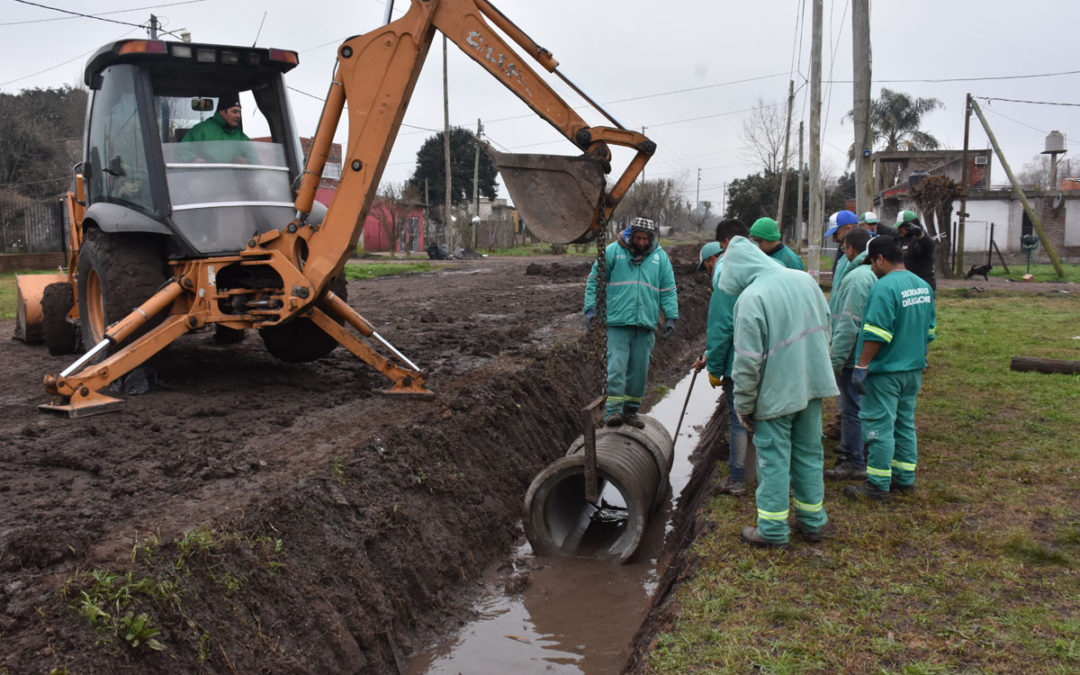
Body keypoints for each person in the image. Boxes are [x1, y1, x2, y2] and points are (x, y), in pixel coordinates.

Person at [720, 236, 839, 546]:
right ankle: (813, 521)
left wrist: (744, 406)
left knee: (772, 460)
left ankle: (772, 531)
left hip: (775, 396)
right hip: (812, 386)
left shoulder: (752, 297)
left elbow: (747, 362)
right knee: (809, 453)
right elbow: (826, 327)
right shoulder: (804, 280)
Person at [843, 235, 936, 502]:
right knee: (905, 424)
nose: (872, 268)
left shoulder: (883, 288)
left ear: (881, 259)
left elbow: (876, 333)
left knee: (878, 427)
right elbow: (929, 331)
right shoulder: (922, 286)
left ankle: (877, 484)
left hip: (885, 372)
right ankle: (904, 479)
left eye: (872, 262)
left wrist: (862, 365)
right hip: (912, 369)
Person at [584, 217, 678, 428]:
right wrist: (590, 309)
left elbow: (668, 289)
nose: (642, 242)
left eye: (645, 239)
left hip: (645, 323)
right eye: (638, 238)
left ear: (651, 238)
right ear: (631, 235)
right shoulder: (613, 252)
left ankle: (630, 411)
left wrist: (671, 316)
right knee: (616, 367)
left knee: (639, 371)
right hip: (617, 321)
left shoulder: (660, 258)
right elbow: (594, 282)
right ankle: (612, 412)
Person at [692, 219, 750, 496]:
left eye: (706, 267)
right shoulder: (753, 266)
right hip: (762, 354)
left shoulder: (724, 273)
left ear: (714, 258)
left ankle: (737, 478)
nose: (708, 273)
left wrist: (714, 367)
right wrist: (708, 354)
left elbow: (723, 327)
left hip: (738, 360)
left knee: (738, 419)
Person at [824, 228, 876, 481]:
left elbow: (848, 323)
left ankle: (854, 460)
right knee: (862, 406)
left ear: (851, 249)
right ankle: (859, 448)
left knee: (851, 408)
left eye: (844, 248)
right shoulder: (870, 273)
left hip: (852, 357)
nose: (843, 252)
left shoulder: (856, 279)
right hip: (866, 354)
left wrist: (835, 360)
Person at [182, 93, 254, 163]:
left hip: (232, 172)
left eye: (239, 112)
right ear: (222, 112)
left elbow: (255, 159)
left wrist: (246, 162)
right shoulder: (201, 130)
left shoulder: (241, 136)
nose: (238, 116)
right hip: (207, 171)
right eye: (234, 112)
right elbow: (181, 150)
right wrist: (193, 160)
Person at [895, 209, 936, 291]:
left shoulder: (921, 240)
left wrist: (920, 236)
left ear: (909, 226)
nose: (898, 229)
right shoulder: (901, 238)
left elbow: (927, 246)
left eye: (900, 227)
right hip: (907, 285)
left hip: (922, 286)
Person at [824, 210, 859, 284]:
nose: (833, 240)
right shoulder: (843, 250)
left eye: (836, 234)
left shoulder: (867, 251)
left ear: (849, 228)